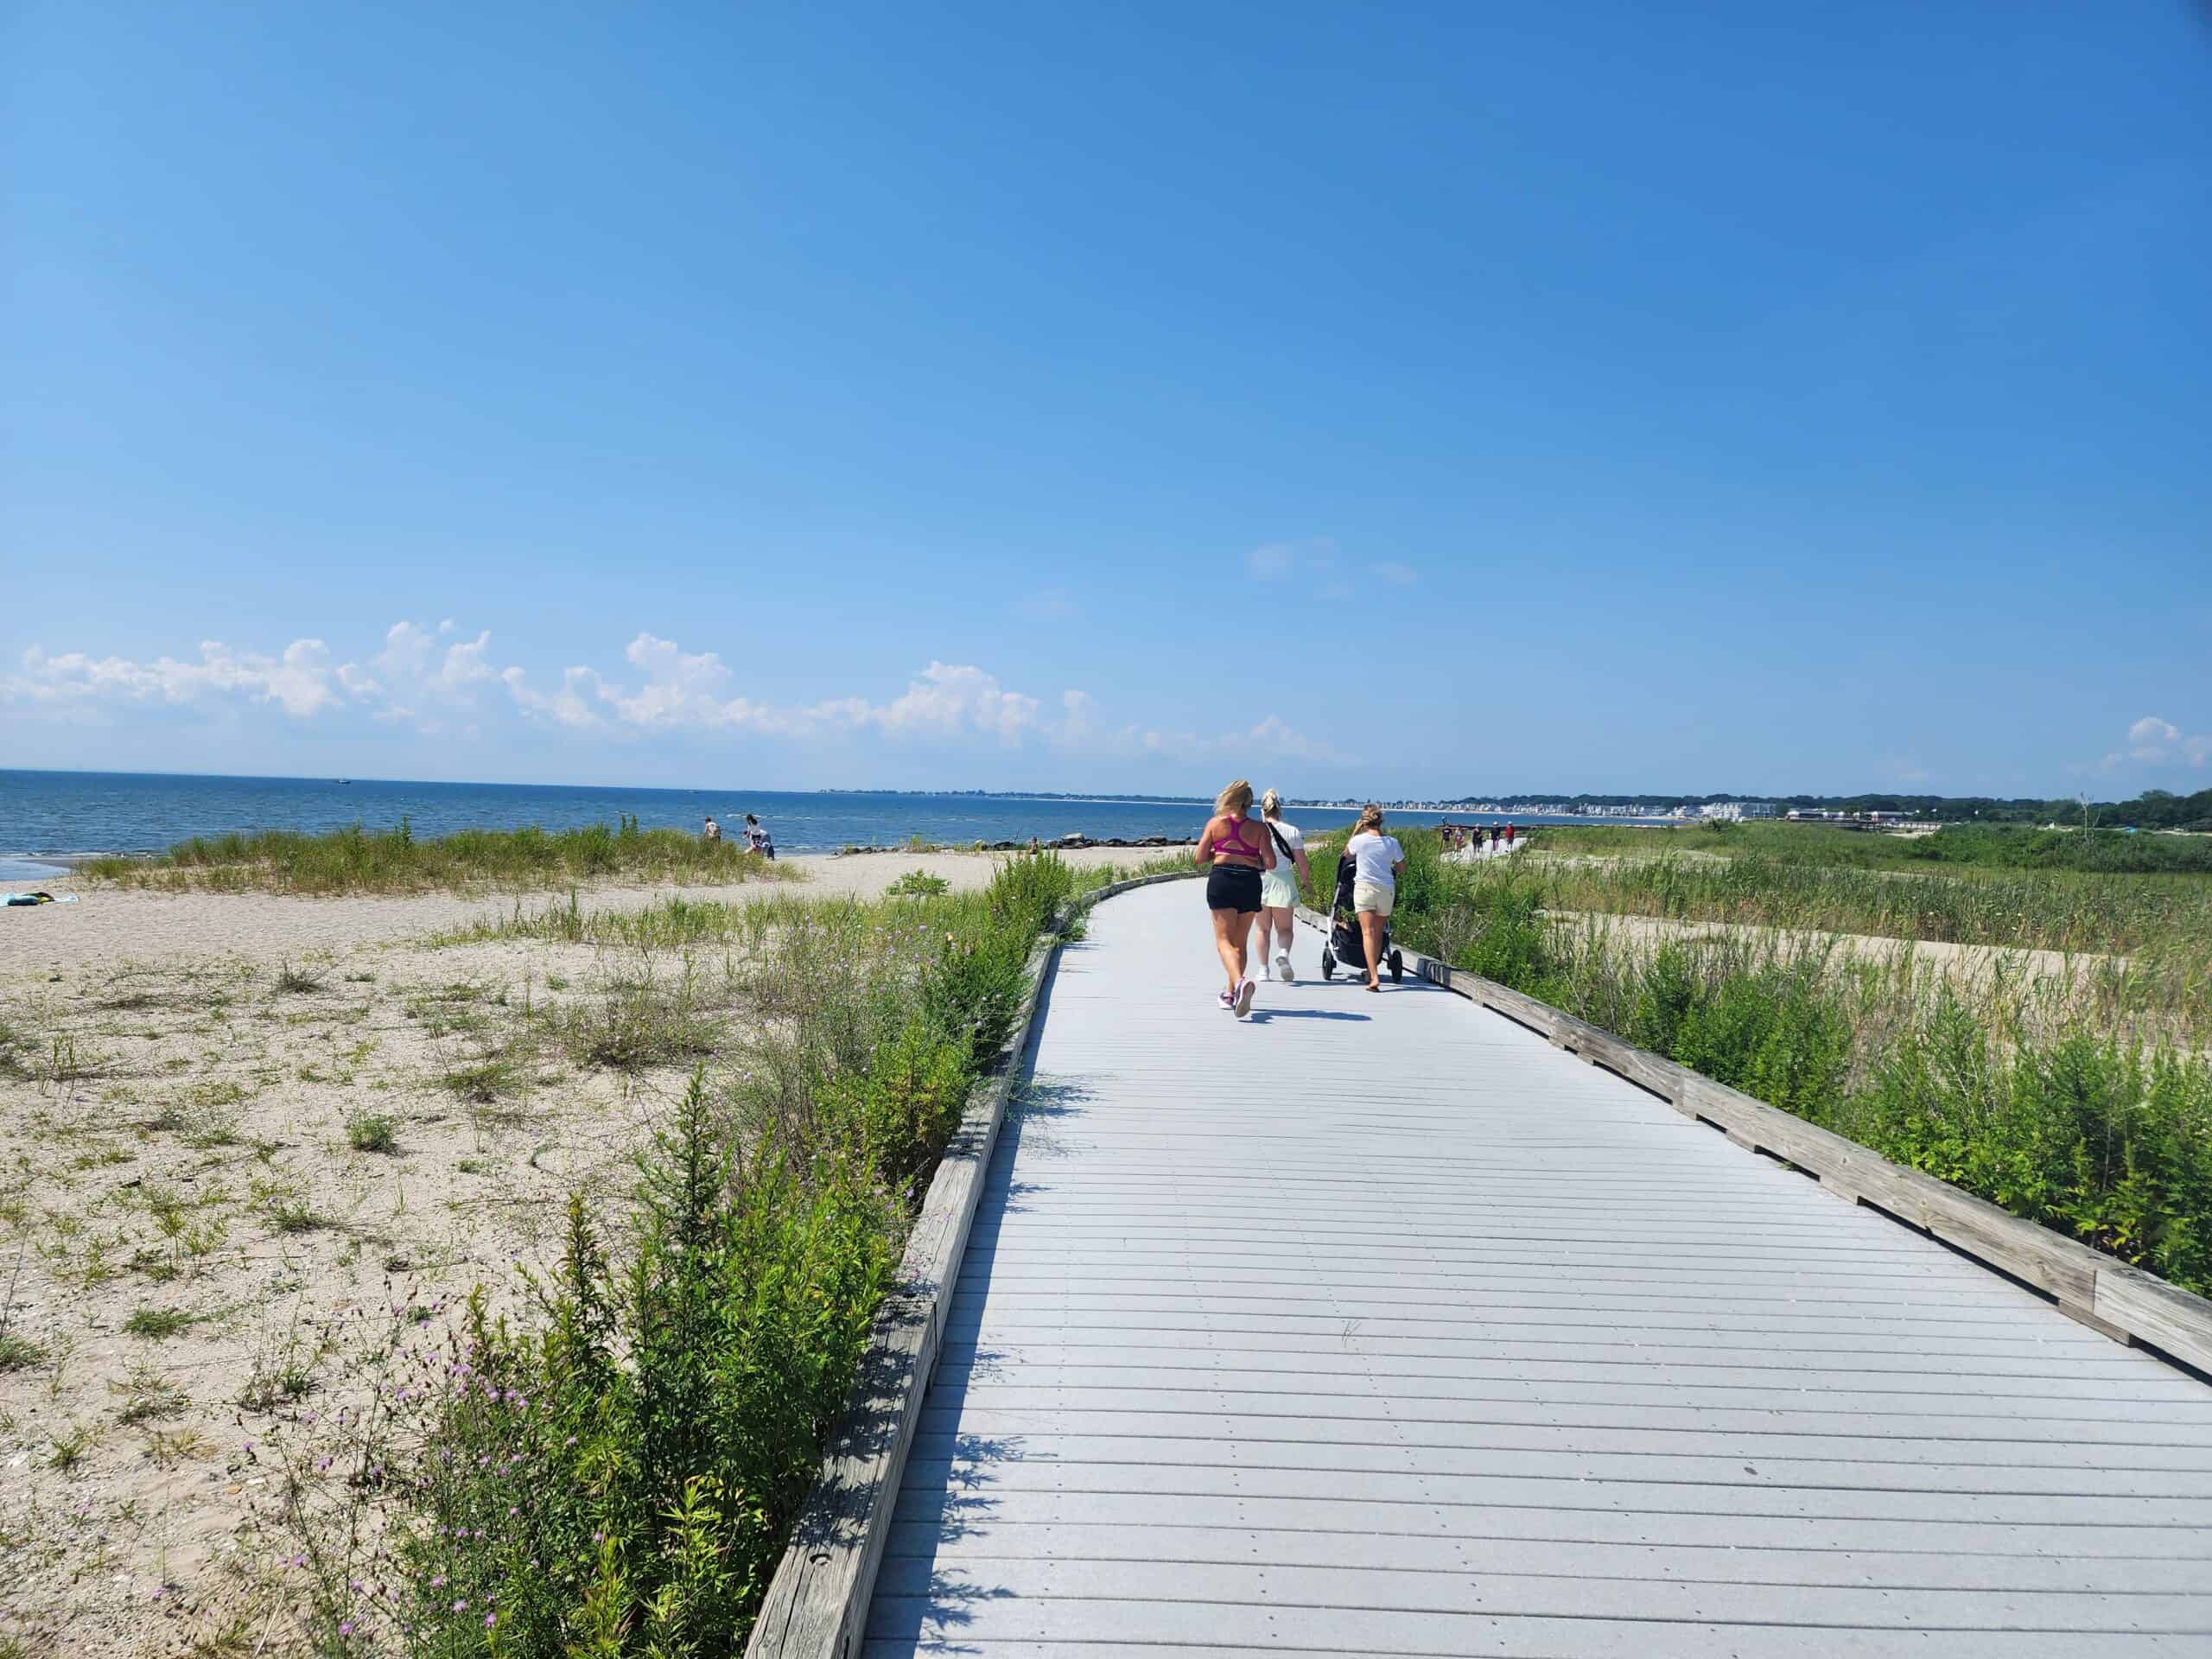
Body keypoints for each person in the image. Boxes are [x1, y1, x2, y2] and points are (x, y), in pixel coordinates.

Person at [1195, 778, 1275, 1017]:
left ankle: (1239, 983)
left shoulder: (1215, 824)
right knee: (1239, 942)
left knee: (1223, 941)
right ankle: (1230, 994)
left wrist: (1220, 851)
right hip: (1249, 882)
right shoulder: (1260, 829)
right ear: (1250, 804)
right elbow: (1270, 863)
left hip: (1223, 880)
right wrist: (1251, 858)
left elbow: (1199, 857)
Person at [1250, 788, 1310, 982]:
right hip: (1284, 881)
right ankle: (1283, 953)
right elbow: (1301, 862)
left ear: (1262, 810)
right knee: (1285, 929)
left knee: (1262, 929)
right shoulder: (1292, 831)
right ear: (1280, 809)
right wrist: (1305, 881)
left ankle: (1263, 970)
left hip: (1260, 881)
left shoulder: (1255, 830)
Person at [1344, 804, 1405, 992]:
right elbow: (1402, 868)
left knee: (1367, 933)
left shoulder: (1359, 841)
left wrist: (1354, 831)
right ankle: (1372, 971)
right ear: (1381, 822)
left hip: (1364, 889)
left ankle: (1374, 976)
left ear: (1364, 822)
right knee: (1378, 933)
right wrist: (1391, 869)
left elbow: (1346, 855)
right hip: (1385, 890)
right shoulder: (1392, 842)